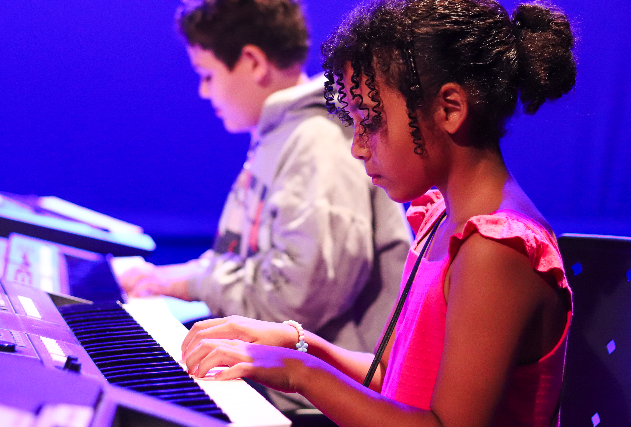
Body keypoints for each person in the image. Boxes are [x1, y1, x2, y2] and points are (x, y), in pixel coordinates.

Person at [179, 0, 576, 425]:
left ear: (449, 109)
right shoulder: (442, 218)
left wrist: (300, 372)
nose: (357, 147)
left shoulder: (496, 249)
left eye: (370, 121)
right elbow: (390, 375)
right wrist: (297, 343)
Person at [120, 0, 411, 411]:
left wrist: (193, 283)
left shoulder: (317, 142)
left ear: (254, 62)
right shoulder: (283, 136)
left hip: (313, 402)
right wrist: (178, 277)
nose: (203, 91)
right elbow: (242, 257)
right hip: (278, 383)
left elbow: (299, 299)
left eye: (207, 75)